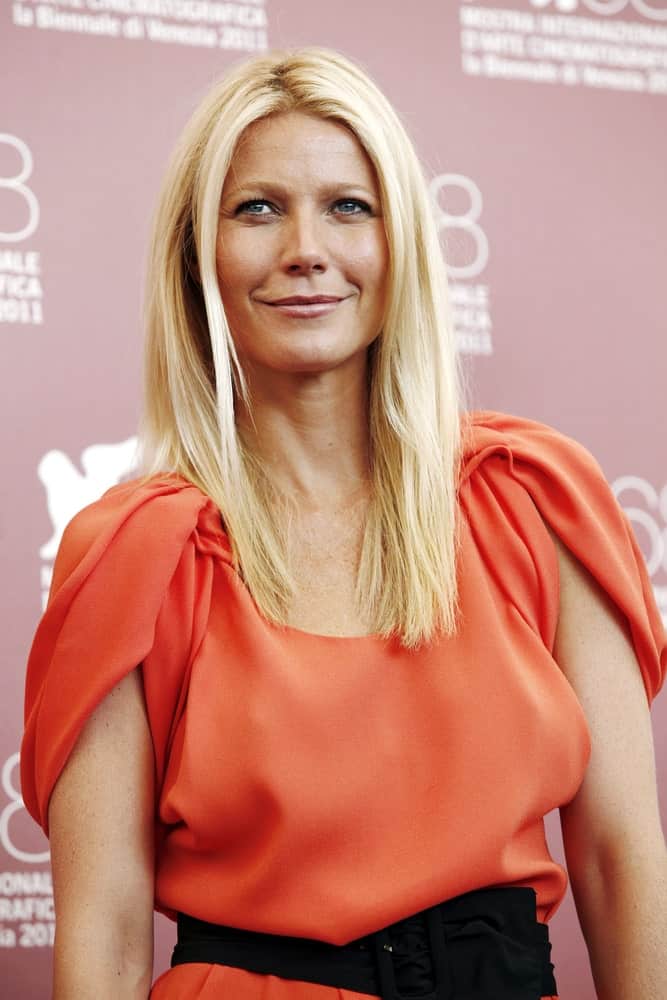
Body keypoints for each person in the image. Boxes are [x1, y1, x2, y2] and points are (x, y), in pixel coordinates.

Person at [21, 47, 666, 1000]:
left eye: (347, 207)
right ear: (196, 251)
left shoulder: (537, 498)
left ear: (399, 239)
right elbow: (108, 935)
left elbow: (617, 861)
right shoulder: (134, 552)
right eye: (258, 208)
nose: (305, 248)